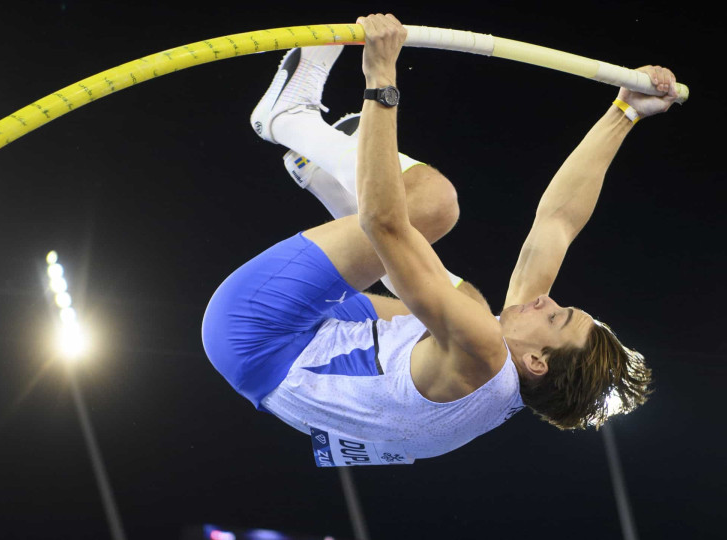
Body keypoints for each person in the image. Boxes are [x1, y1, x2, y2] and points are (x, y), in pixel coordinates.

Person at [202, 14, 675, 467]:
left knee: (431, 204)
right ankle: (333, 172)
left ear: (536, 361)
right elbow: (558, 222)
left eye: (556, 317)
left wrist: (381, 74)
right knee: (459, 301)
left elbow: (385, 223)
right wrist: (626, 112)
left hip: (255, 337)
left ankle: (288, 118)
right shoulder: (514, 368)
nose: (547, 300)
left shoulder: (483, 353)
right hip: (321, 364)